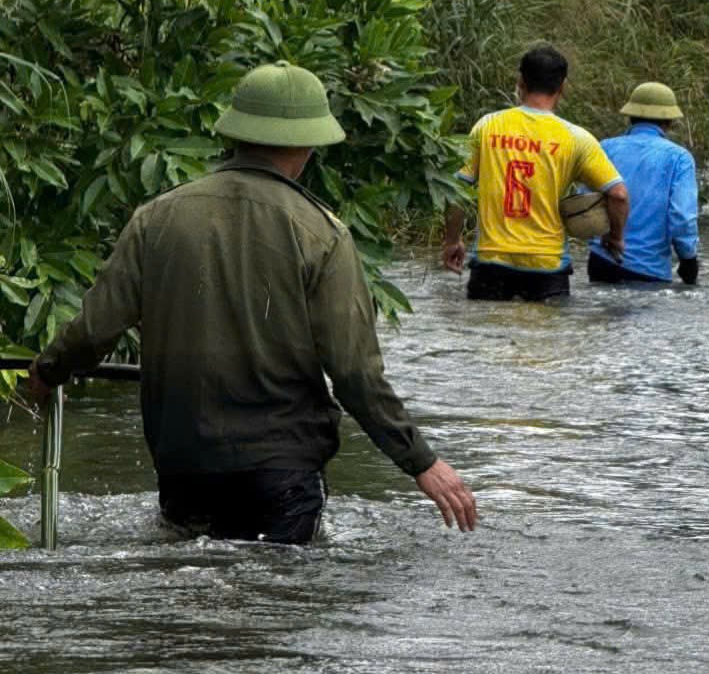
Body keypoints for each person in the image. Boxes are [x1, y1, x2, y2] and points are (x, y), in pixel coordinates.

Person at [27, 60, 477, 544]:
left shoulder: (155, 219)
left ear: (236, 134)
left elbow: (94, 330)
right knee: (273, 606)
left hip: (184, 469)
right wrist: (421, 461)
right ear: (306, 144)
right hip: (281, 475)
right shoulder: (322, 234)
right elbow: (353, 373)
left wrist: (48, 370)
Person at [442, 45, 629, 301]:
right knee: (546, 340)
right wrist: (615, 237)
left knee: (485, 336)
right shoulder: (577, 138)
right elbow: (618, 195)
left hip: (491, 261)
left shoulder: (486, 126)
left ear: (521, 81)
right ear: (562, 86)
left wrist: (452, 240)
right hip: (548, 265)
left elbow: (458, 189)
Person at [587, 82, 699, 285]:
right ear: (669, 121)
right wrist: (688, 258)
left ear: (630, 116)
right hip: (649, 269)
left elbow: (585, 203)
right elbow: (681, 217)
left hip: (601, 262)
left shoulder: (604, 148)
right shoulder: (679, 158)